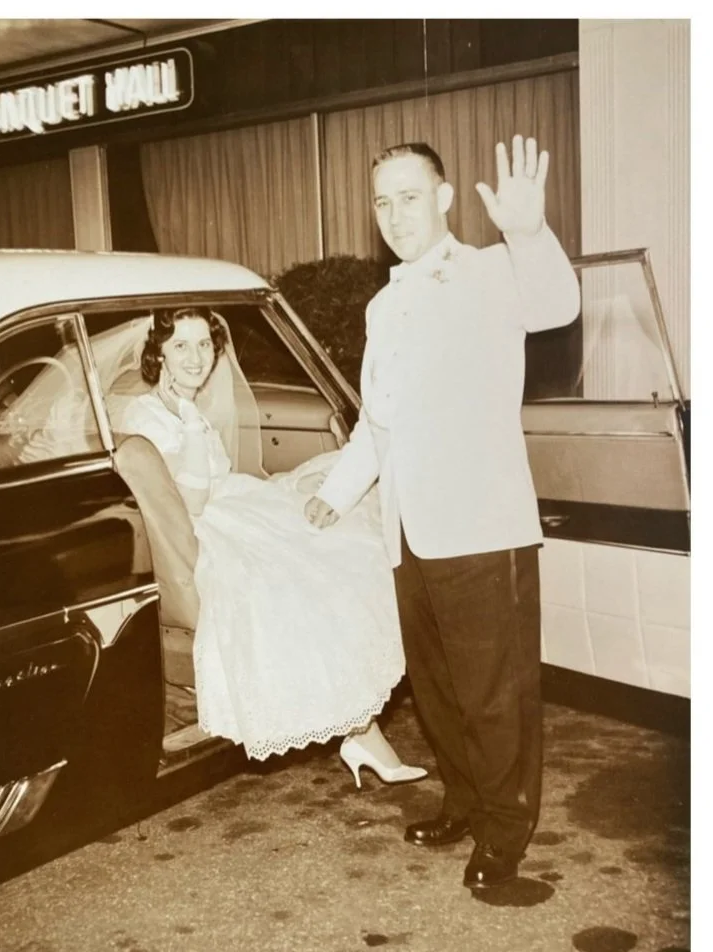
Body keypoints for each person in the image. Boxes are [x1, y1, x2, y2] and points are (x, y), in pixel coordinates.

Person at [305, 136, 581, 888]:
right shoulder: (382, 305)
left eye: (409, 196)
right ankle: (463, 802)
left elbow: (557, 304)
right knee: (439, 691)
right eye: (382, 201)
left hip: (482, 529)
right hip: (409, 532)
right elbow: (377, 421)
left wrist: (525, 230)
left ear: (445, 197)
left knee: (496, 697)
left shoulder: (491, 272)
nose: (395, 214)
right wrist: (333, 496)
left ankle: (503, 837)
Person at [122, 306, 427, 786]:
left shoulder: (187, 406)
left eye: (204, 344)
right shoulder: (147, 414)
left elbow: (220, 479)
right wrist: (187, 422)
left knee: (347, 537)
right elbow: (195, 499)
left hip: (231, 504)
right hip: (199, 525)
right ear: (157, 353)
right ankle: (361, 732)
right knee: (304, 573)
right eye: (180, 345)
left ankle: (362, 729)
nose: (196, 358)